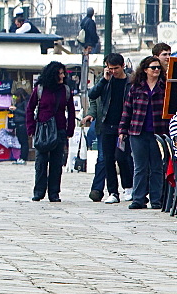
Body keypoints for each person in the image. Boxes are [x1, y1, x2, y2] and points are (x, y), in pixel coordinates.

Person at [119, 56, 167, 209]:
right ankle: (138, 198)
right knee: (140, 166)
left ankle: (156, 199)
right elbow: (127, 110)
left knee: (157, 167)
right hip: (137, 130)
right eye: (153, 68)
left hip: (158, 131)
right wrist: (122, 130)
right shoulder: (136, 87)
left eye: (158, 68)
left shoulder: (165, 87)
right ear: (145, 70)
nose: (157, 70)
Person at [84, 53, 133, 203]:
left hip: (124, 125)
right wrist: (104, 80)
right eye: (109, 68)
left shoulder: (130, 81)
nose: (112, 71)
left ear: (123, 66)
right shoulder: (104, 79)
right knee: (108, 159)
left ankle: (128, 186)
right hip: (106, 124)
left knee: (122, 157)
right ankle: (113, 192)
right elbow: (92, 94)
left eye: (115, 68)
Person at [26, 61, 75, 202]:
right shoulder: (40, 89)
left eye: (63, 73)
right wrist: (31, 127)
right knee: (41, 162)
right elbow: (30, 108)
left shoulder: (65, 90)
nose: (62, 76)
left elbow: (71, 111)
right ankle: (39, 191)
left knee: (56, 163)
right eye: (59, 73)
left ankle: (54, 192)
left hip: (59, 129)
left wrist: (69, 129)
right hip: (42, 128)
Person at [10, 88, 29, 165]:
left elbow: (26, 113)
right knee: (21, 141)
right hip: (18, 123)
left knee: (24, 141)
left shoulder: (25, 102)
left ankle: (24, 158)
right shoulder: (19, 103)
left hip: (23, 123)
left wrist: (16, 109)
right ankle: (21, 157)